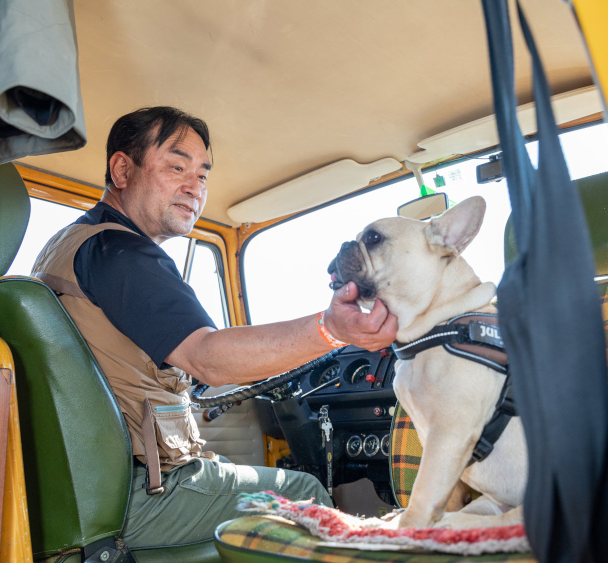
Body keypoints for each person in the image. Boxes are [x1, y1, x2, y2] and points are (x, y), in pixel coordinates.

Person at [31, 106, 398, 548]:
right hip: (134, 497)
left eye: (202, 175)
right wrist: (333, 329)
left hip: (83, 488)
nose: (194, 188)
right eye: (176, 167)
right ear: (122, 169)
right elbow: (208, 359)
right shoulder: (122, 252)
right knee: (304, 493)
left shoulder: (70, 245)